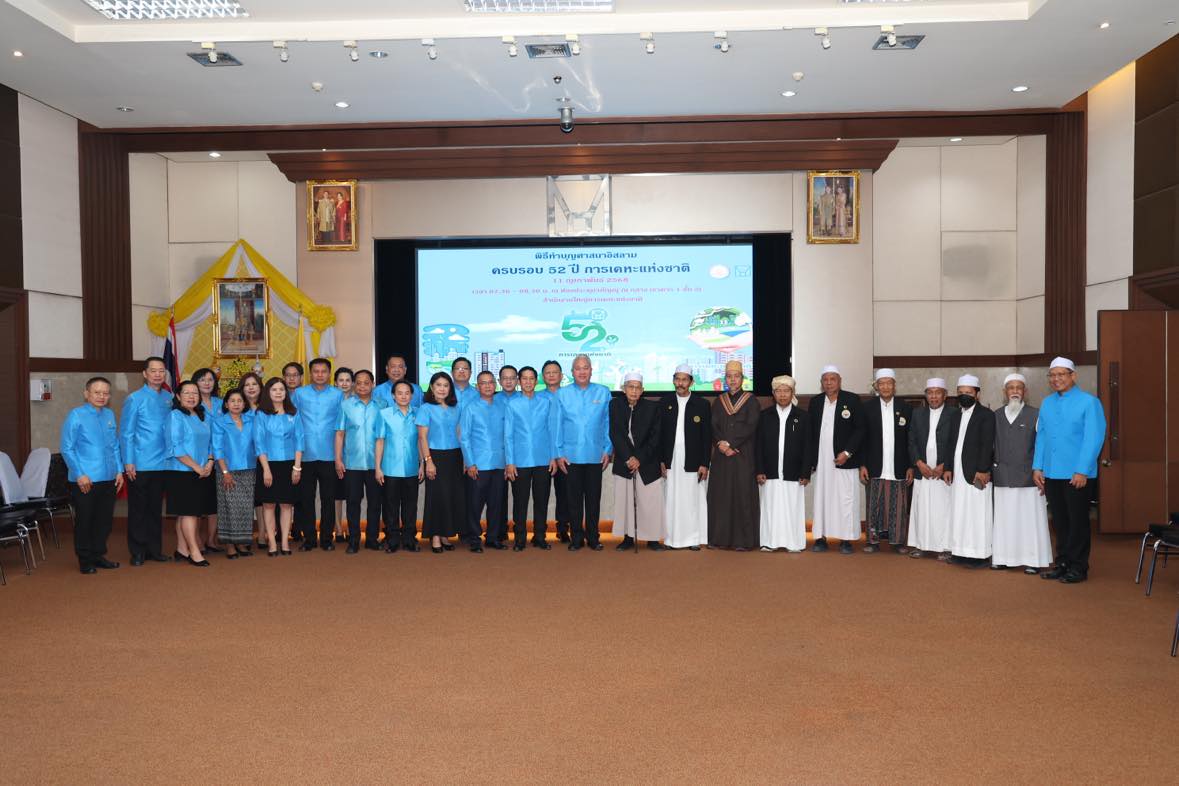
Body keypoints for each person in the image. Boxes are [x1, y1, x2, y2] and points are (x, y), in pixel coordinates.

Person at [1033, 357, 1107, 584]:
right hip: (1052, 472)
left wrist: (1082, 470)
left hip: (1077, 474)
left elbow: (1093, 439)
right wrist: (1037, 466)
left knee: (1078, 522)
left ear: (1073, 376)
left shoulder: (1089, 402)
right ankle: (1062, 563)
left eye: (1061, 374)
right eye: (1052, 375)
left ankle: (1078, 566)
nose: (1056, 379)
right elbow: (1042, 436)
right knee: (1059, 521)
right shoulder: (1047, 403)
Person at [61, 376, 124, 574]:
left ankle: (98, 555)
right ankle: (85, 559)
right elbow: (67, 448)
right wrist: (79, 474)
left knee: (104, 521)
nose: (101, 396)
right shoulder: (76, 415)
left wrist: (119, 470)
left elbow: (115, 445)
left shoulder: (109, 415)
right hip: (85, 479)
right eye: (97, 392)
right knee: (85, 520)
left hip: (109, 477)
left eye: (106, 393)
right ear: (86, 394)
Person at [991, 373, 1052, 574]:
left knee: (1029, 521)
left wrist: (1041, 470)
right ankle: (1003, 558)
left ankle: (1033, 559)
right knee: (1004, 520)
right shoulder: (996, 415)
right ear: (1005, 392)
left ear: (1025, 392)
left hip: (1028, 478)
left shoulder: (1036, 414)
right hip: (1003, 476)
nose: (1015, 391)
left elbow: (1043, 446)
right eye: (1011, 388)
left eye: (1019, 388)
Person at [119, 356, 175, 566]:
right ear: (145, 374)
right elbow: (126, 433)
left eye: (161, 371)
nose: (158, 375)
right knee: (138, 509)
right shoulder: (134, 399)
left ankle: (154, 549)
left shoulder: (169, 397)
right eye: (153, 371)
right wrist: (128, 461)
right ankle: (137, 551)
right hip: (140, 462)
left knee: (155, 508)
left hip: (163, 463)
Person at [555, 354, 612, 551]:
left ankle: (593, 537)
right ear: (572, 372)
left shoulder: (603, 392)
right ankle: (576, 538)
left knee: (593, 500)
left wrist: (608, 449)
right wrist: (559, 453)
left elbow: (608, 423)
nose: (582, 371)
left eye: (585, 367)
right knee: (574, 501)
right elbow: (557, 426)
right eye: (578, 368)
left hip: (596, 455)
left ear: (591, 370)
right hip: (570, 456)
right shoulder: (562, 394)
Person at [809, 365, 865, 554]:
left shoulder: (852, 399)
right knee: (822, 498)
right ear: (821, 383)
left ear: (839, 381)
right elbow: (811, 432)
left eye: (832, 379)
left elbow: (860, 429)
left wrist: (847, 453)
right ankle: (820, 538)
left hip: (844, 460)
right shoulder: (816, 402)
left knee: (845, 499)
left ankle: (846, 540)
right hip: (822, 461)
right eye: (825, 380)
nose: (829, 383)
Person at [291, 357, 344, 550]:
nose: (320, 375)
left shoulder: (338, 395)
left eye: (323, 371)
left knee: (328, 499)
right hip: (305, 454)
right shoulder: (299, 393)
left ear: (329, 374)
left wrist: (340, 456)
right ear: (310, 373)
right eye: (316, 371)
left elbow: (341, 426)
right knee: (306, 499)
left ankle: (327, 539)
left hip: (330, 454)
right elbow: (292, 420)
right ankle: (310, 539)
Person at [707, 360, 760, 550]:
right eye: (729, 376)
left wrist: (731, 443)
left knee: (742, 497)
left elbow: (751, 426)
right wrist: (721, 444)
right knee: (721, 497)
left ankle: (743, 541)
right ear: (725, 379)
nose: (733, 380)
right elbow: (713, 426)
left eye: (736, 376)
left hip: (742, 456)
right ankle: (719, 539)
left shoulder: (751, 401)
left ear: (742, 378)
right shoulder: (718, 401)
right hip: (722, 458)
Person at [611, 372, 667, 551]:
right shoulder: (615, 405)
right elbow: (615, 433)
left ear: (642, 390)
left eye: (637, 388)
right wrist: (629, 458)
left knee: (650, 502)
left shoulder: (652, 408)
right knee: (626, 502)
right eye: (630, 387)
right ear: (623, 389)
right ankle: (628, 538)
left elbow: (655, 438)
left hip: (647, 462)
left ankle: (652, 539)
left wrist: (639, 459)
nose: (634, 391)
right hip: (624, 462)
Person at [860, 368, 914, 554]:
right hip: (874, 464)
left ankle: (897, 541)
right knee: (873, 505)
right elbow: (862, 439)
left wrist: (910, 466)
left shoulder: (905, 408)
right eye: (881, 383)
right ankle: (872, 541)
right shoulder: (867, 408)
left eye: (888, 383)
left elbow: (910, 440)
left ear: (894, 386)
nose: (885, 387)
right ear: (876, 386)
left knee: (899, 506)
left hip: (899, 465)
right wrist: (862, 464)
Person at [755, 375, 811, 552]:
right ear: (773, 394)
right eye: (778, 391)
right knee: (770, 508)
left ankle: (794, 543)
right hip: (769, 471)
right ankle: (769, 542)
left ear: (792, 392)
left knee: (792, 507)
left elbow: (808, 447)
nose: (782, 395)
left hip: (794, 472)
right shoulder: (765, 416)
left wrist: (805, 472)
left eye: (786, 391)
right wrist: (759, 470)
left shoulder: (803, 416)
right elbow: (758, 445)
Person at [658, 364, 711, 550]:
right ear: (673, 381)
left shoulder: (702, 404)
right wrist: (661, 460)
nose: (680, 383)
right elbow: (659, 434)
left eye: (684, 380)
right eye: (677, 379)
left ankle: (693, 539)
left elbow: (707, 437)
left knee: (692, 500)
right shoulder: (664, 402)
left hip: (693, 460)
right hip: (670, 458)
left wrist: (705, 463)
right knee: (671, 499)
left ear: (691, 382)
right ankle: (671, 539)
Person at [504, 366, 556, 551]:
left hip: (543, 459)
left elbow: (552, 431)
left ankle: (540, 536)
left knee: (541, 501)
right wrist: (510, 461)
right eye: (524, 378)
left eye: (531, 378)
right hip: (520, 461)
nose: (528, 382)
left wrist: (553, 457)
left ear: (536, 380)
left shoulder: (546, 402)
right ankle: (520, 538)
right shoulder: (512, 404)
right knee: (520, 502)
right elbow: (508, 435)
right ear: (519, 381)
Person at [906, 378, 959, 559]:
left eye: (938, 393)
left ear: (945, 395)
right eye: (930, 393)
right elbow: (911, 441)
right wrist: (919, 463)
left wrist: (945, 465)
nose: (934, 396)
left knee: (944, 511)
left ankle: (945, 547)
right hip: (923, 471)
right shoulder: (917, 413)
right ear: (926, 395)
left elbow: (957, 442)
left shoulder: (955, 414)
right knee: (922, 509)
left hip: (943, 473)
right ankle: (921, 545)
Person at [165, 380, 215, 567]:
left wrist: (210, 462)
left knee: (187, 513)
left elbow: (211, 442)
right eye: (187, 393)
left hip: (202, 470)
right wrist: (196, 467)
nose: (191, 396)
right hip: (182, 471)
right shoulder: (175, 416)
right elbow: (176, 447)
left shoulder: (203, 416)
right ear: (178, 396)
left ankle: (181, 549)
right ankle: (194, 551)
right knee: (189, 513)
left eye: (195, 393)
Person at [335, 369, 386, 553]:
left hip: (376, 464)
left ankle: (372, 539)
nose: (362, 386)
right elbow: (340, 434)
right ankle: (354, 540)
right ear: (354, 385)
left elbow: (384, 436)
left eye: (366, 383)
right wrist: (338, 459)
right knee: (353, 502)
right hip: (352, 463)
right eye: (359, 383)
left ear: (373, 384)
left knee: (375, 503)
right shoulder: (345, 405)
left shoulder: (382, 405)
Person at [947, 374, 995, 567]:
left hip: (976, 473)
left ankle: (979, 555)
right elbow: (951, 444)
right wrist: (948, 468)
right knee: (959, 511)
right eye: (960, 392)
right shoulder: (955, 415)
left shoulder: (986, 415)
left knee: (977, 513)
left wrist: (983, 470)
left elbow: (987, 444)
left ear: (977, 394)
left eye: (968, 392)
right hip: (958, 473)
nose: (964, 395)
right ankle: (959, 552)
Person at [254, 377, 304, 556]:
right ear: (268, 392)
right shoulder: (261, 414)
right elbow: (259, 443)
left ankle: (284, 542)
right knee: (268, 505)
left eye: (281, 389)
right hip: (267, 464)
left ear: (286, 393)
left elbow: (299, 440)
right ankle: (272, 543)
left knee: (286, 505)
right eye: (274, 389)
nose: (278, 393)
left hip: (289, 465)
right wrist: (266, 470)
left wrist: (297, 467)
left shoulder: (293, 413)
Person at [459, 371, 508, 552]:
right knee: (474, 504)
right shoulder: (470, 408)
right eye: (483, 383)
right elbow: (464, 438)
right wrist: (470, 463)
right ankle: (473, 538)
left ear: (495, 385)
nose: (487, 386)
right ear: (477, 386)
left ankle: (492, 538)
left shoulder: (502, 406)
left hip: (499, 463)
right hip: (478, 465)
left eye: (490, 382)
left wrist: (508, 462)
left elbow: (507, 436)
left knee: (496, 504)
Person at [417, 372, 465, 553]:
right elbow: (422, 437)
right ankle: (435, 536)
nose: (442, 389)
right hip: (435, 456)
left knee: (451, 497)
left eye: (446, 385)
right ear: (431, 387)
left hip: (455, 456)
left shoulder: (456, 408)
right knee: (436, 496)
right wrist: (428, 461)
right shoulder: (425, 408)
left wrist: (464, 458)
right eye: (438, 385)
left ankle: (445, 534)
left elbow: (459, 433)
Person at [375, 380, 423, 553]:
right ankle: (393, 539)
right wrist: (377, 467)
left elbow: (420, 440)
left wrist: (422, 464)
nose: (403, 396)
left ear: (412, 395)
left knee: (411, 506)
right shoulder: (384, 414)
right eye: (399, 393)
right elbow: (380, 441)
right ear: (393, 395)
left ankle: (409, 539)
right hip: (390, 467)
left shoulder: (418, 413)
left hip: (411, 467)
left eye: (407, 393)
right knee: (390, 506)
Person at [213, 389, 257, 559]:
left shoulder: (251, 420)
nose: (236, 404)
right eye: (232, 401)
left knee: (245, 508)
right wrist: (225, 472)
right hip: (227, 470)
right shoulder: (219, 422)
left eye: (239, 401)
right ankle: (230, 545)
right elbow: (217, 448)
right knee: (229, 508)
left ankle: (241, 543)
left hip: (249, 469)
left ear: (244, 404)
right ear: (226, 404)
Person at [538, 359, 573, 543]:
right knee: (541, 495)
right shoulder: (536, 397)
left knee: (565, 493)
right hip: (542, 454)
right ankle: (540, 531)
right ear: (542, 377)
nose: (551, 375)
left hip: (564, 453)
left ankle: (563, 528)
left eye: (555, 372)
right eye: (547, 373)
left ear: (561, 376)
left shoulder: (568, 396)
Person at [192, 367, 223, 553]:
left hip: (220, 458)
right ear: (195, 383)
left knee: (214, 502)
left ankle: (211, 539)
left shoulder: (221, 403)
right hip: (199, 459)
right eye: (202, 379)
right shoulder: (192, 404)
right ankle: (196, 540)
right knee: (197, 502)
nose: (207, 383)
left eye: (210, 379)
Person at [492, 364, 519, 544]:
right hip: (498, 454)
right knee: (498, 495)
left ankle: (518, 530)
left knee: (519, 495)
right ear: (499, 381)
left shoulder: (524, 398)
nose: (508, 381)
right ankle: (500, 530)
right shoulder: (492, 399)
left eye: (512, 378)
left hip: (519, 455)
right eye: (505, 378)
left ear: (517, 380)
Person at [331, 367, 354, 543]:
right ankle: (338, 529)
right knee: (337, 495)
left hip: (354, 456)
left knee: (352, 496)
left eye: (348, 380)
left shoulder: (357, 402)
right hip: (335, 454)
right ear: (335, 383)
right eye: (341, 380)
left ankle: (351, 528)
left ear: (352, 383)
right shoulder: (331, 403)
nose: (344, 383)